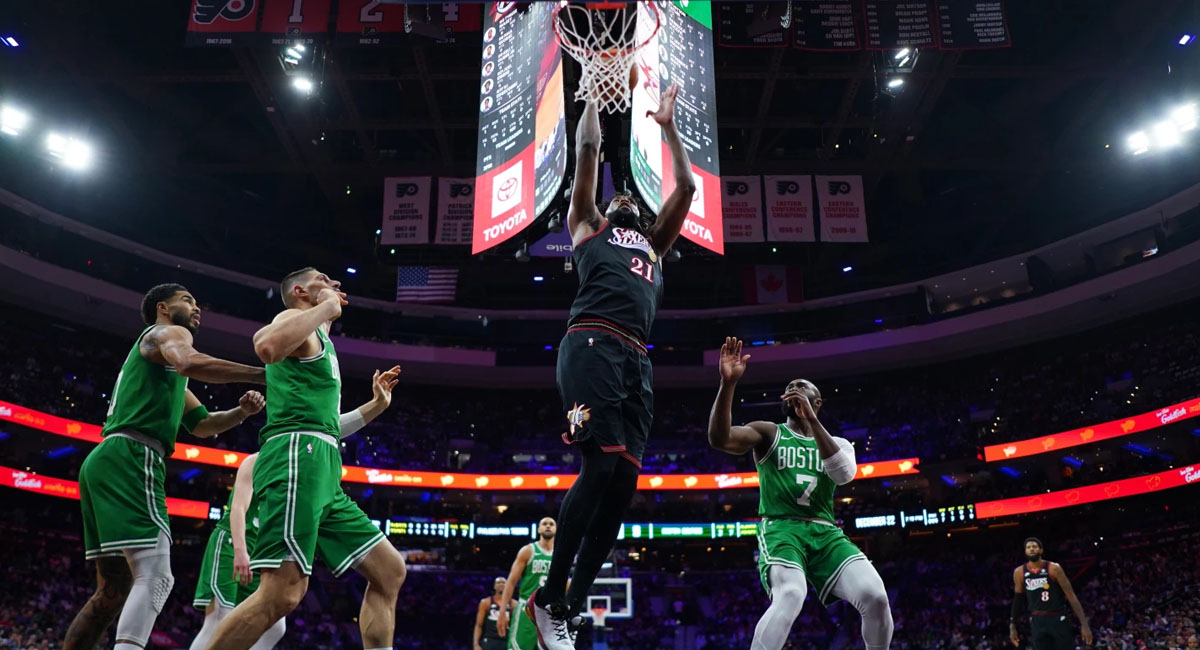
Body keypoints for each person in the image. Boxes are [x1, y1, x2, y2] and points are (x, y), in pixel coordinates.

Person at [527, 83, 696, 650]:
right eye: (615, 195)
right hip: (592, 345)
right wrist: (594, 90)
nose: (623, 197)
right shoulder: (588, 226)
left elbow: (689, 186)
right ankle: (547, 598)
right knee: (597, 470)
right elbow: (586, 155)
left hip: (636, 363)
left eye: (630, 199)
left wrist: (669, 126)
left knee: (623, 486)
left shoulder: (654, 244)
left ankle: (571, 609)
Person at [205, 268, 405, 650]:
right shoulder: (293, 321)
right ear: (300, 291)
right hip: (297, 460)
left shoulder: (318, 340)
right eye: (325, 280)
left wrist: (376, 406)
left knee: (390, 571)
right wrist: (326, 307)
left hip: (322, 463)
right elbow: (265, 345)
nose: (336, 285)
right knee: (282, 594)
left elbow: (324, 427)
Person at [64, 283, 267, 650]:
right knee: (157, 576)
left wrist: (242, 412)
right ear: (163, 307)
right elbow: (189, 360)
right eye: (187, 300)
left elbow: (203, 425)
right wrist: (260, 373)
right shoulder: (167, 333)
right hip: (133, 455)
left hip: (106, 459)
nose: (196, 307)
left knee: (113, 590)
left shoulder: (163, 366)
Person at [707, 337, 894, 650]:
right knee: (792, 594)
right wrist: (728, 384)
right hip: (782, 528)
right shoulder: (769, 432)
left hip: (825, 533)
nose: (793, 388)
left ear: (817, 402)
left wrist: (812, 421)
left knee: (875, 596)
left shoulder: (840, 444)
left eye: (801, 385)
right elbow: (719, 439)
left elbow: (843, 475)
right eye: (789, 385)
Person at [189, 454, 285, 650]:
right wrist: (240, 552)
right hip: (232, 543)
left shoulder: (297, 470)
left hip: (261, 553)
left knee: (275, 627)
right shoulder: (257, 461)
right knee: (218, 620)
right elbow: (238, 508)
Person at [1010, 537, 1093, 649]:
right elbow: (1018, 600)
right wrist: (1012, 625)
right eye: (1028, 547)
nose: (1031, 549)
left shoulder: (1054, 568)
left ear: (1041, 550)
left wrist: (1084, 623)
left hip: (1057, 617)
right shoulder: (1019, 572)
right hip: (1037, 619)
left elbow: (1071, 596)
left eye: (1034, 547)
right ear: (1025, 551)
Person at [498, 518, 557, 649]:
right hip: (527, 608)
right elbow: (510, 582)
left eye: (551, 524)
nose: (548, 526)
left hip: (549, 611)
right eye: (544, 524)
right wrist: (502, 612)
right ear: (539, 529)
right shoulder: (528, 551)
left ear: (556, 530)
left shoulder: (559, 555)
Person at [475, 577, 511, 650]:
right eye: (498, 582)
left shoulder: (513, 604)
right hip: (490, 640)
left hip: (506, 641)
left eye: (503, 582)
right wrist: (476, 644)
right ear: (494, 586)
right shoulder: (486, 602)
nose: (501, 584)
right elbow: (479, 625)